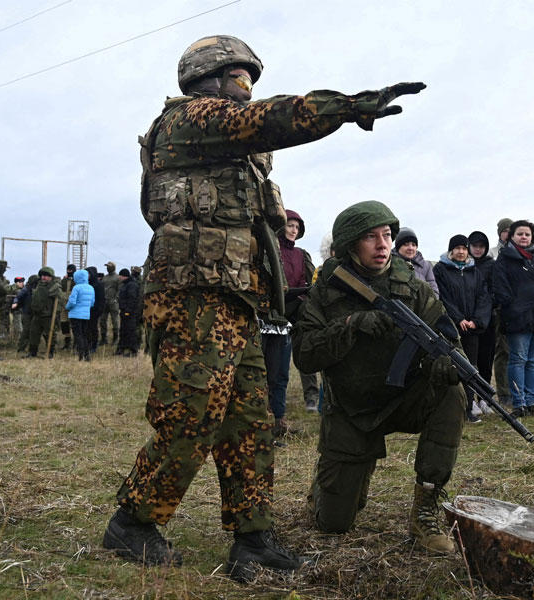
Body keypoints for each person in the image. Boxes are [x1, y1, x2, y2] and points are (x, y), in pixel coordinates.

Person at [102, 34, 425, 581]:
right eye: (241, 78)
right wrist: (345, 107)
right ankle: (131, 523)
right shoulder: (189, 122)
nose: (247, 90)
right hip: (194, 298)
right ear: (214, 77)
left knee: (252, 421)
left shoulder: (238, 156)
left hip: (239, 302)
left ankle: (253, 538)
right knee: (191, 414)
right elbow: (270, 119)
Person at [293, 201, 465, 554]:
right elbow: (305, 355)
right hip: (351, 410)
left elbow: (447, 336)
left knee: (453, 391)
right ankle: (340, 474)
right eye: (370, 237)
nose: (383, 244)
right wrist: (350, 326)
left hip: (403, 398)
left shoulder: (411, 284)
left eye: (387, 235)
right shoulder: (326, 290)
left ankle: (427, 508)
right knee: (333, 525)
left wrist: (447, 363)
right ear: (350, 244)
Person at [492, 220, 534, 418]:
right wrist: (514, 307)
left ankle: (532, 402)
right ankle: (518, 403)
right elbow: (500, 289)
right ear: (512, 236)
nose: (524, 237)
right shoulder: (504, 259)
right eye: (520, 234)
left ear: (532, 237)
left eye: (527, 234)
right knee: (518, 359)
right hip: (518, 318)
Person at [261, 209, 315, 432]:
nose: (294, 230)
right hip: (267, 318)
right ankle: (262, 421)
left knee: (282, 373)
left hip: (290, 317)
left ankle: (279, 420)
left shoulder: (302, 255)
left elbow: (308, 283)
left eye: (297, 227)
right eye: (290, 225)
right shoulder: (270, 250)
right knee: (265, 372)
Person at [434, 234, 492, 423]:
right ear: (451, 250)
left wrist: (476, 321)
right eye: (457, 248)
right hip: (451, 328)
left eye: (464, 249)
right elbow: (443, 297)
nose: (461, 252)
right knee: (452, 368)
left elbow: (484, 297)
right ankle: (452, 408)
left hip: (471, 329)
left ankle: (469, 407)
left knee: (470, 367)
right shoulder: (441, 270)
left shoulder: (474, 271)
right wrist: (458, 319)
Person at [467, 230, 495, 414]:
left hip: (488, 320)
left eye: (481, 246)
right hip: (467, 321)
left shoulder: (491, 265)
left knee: (486, 359)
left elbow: (493, 290)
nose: (478, 250)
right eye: (474, 246)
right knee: (470, 361)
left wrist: (485, 313)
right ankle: (470, 399)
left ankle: (485, 398)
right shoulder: (464, 265)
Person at [491, 218, 513, 403]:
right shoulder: (492, 254)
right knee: (503, 350)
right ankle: (504, 393)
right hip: (501, 309)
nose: (508, 233)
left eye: (511, 230)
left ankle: (517, 390)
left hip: (520, 309)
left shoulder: (521, 252)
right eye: (505, 230)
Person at [25, 267, 64, 359]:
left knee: (50, 334)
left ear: (51, 277)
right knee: (33, 334)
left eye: (46, 276)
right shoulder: (38, 285)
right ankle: (32, 352)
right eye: (42, 275)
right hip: (37, 314)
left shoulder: (55, 286)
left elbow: (61, 299)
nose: (44, 277)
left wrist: (58, 310)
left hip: (48, 315)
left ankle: (50, 352)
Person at [391, 227, 439, 297]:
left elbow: (434, 291)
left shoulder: (426, 266)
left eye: (413, 245)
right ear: (398, 247)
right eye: (406, 244)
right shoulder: (390, 263)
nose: (410, 248)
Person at [65, 269, 95, 361]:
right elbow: (92, 303)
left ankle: (81, 354)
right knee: (84, 334)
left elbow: (72, 302)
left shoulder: (76, 288)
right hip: (86, 315)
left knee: (78, 335)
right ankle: (87, 355)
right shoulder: (91, 288)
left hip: (75, 315)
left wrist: (67, 307)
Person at [115, 268, 139, 357]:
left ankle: (133, 351)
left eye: (120, 276)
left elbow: (132, 299)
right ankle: (121, 349)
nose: (119, 277)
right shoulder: (125, 284)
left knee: (130, 331)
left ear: (124, 276)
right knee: (123, 331)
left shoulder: (131, 285)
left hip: (129, 312)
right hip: (124, 311)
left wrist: (127, 311)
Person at [12, 274, 38, 354]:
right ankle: (21, 348)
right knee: (26, 331)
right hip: (27, 313)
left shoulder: (37, 289)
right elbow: (18, 297)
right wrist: (15, 303)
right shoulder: (26, 289)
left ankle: (32, 348)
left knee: (35, 331)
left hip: (35, 313)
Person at [86, 267, 105, 354]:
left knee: (93, 328)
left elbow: (101, 299)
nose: (87, 276)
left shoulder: (98, 284)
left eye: (89, 274)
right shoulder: (87, 284)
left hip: (95, 310)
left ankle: (94, 345)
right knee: (87, 328)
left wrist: (99, 310)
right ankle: (88, 343)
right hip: (87, 309)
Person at [100, 261, 120, 346]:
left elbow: (120, 289)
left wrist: (116, 299)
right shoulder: (105, 277)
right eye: (107, 266)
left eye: (109, 266)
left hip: (113, 302)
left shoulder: (117, 277)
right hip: (105, 302)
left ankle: (115, 339)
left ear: (113, 267)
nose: (107, 268)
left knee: (115, 320)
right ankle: (103, 338)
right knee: (102, 320)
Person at [59, 264, 77, 351]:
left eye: (71, 270)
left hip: (73, 306)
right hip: (63, 305)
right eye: (68, 270)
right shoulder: (64, 281)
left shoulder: (77, 281)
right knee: (64, 324)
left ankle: (76, 343)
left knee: (74, 324)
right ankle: (67, 342)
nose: (69, 272)